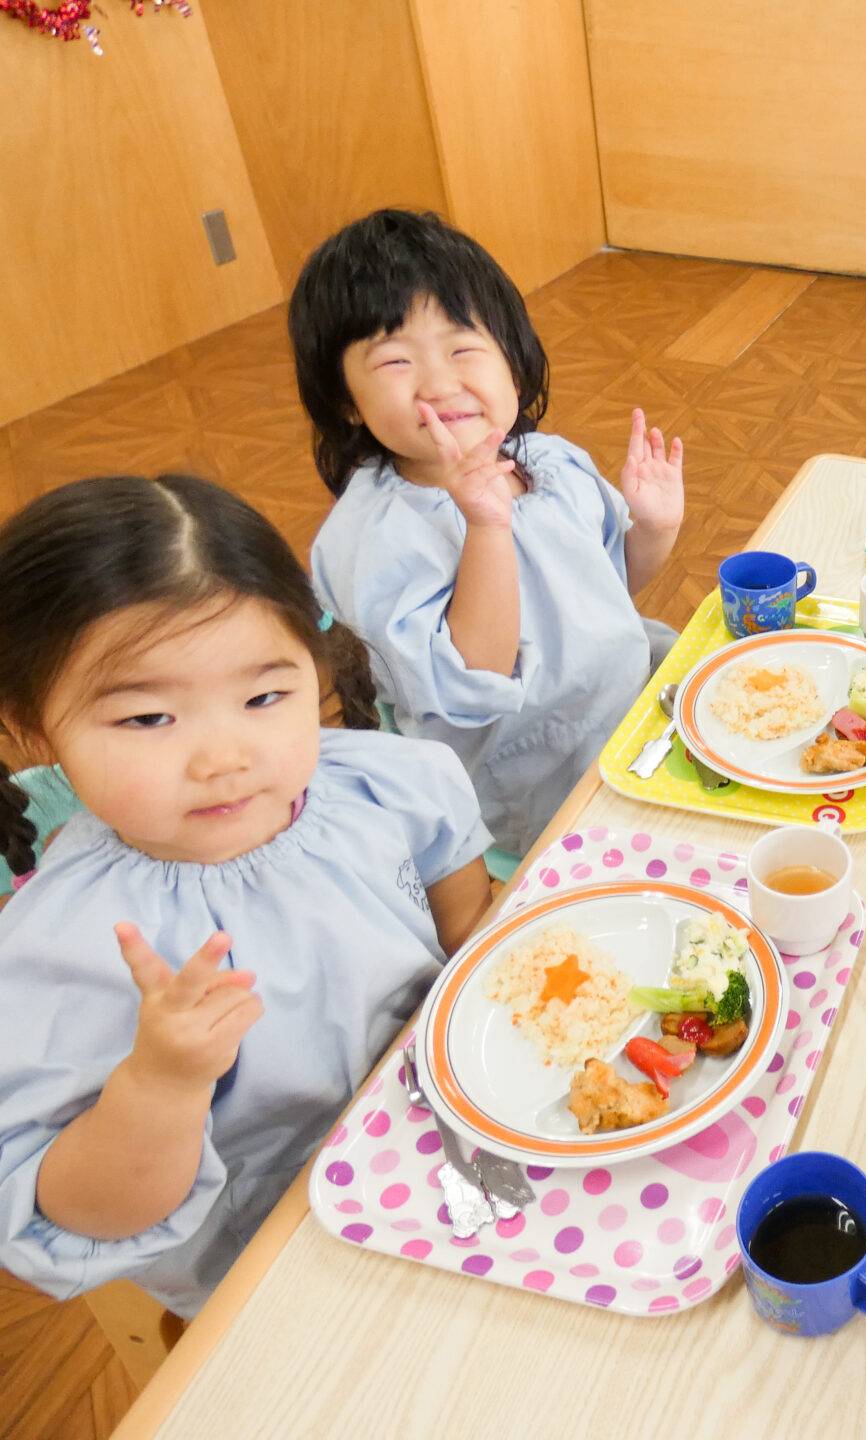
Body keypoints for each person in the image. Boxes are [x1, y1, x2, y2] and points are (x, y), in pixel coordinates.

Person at [0, 474, 493, 1316]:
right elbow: (76, 1215)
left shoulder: (389, 784)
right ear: (35, 730)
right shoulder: (62, 944)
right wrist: (162, 1084)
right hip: (285, 1275)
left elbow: (473, 936)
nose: (223, 758)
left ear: (316, 665)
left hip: (470, 1160)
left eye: (265, 697)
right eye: (148, 718)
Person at [294, 208, 683, 857]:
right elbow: (472, 683)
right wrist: (486, 527)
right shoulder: (373, 538)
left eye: (463, 348)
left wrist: (655, 528)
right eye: (395, 361)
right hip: (531, 779)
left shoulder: (550, 462)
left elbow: (611, 584)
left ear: (513, 363)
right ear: (345, 401)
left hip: (627, 710)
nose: (440, 382)